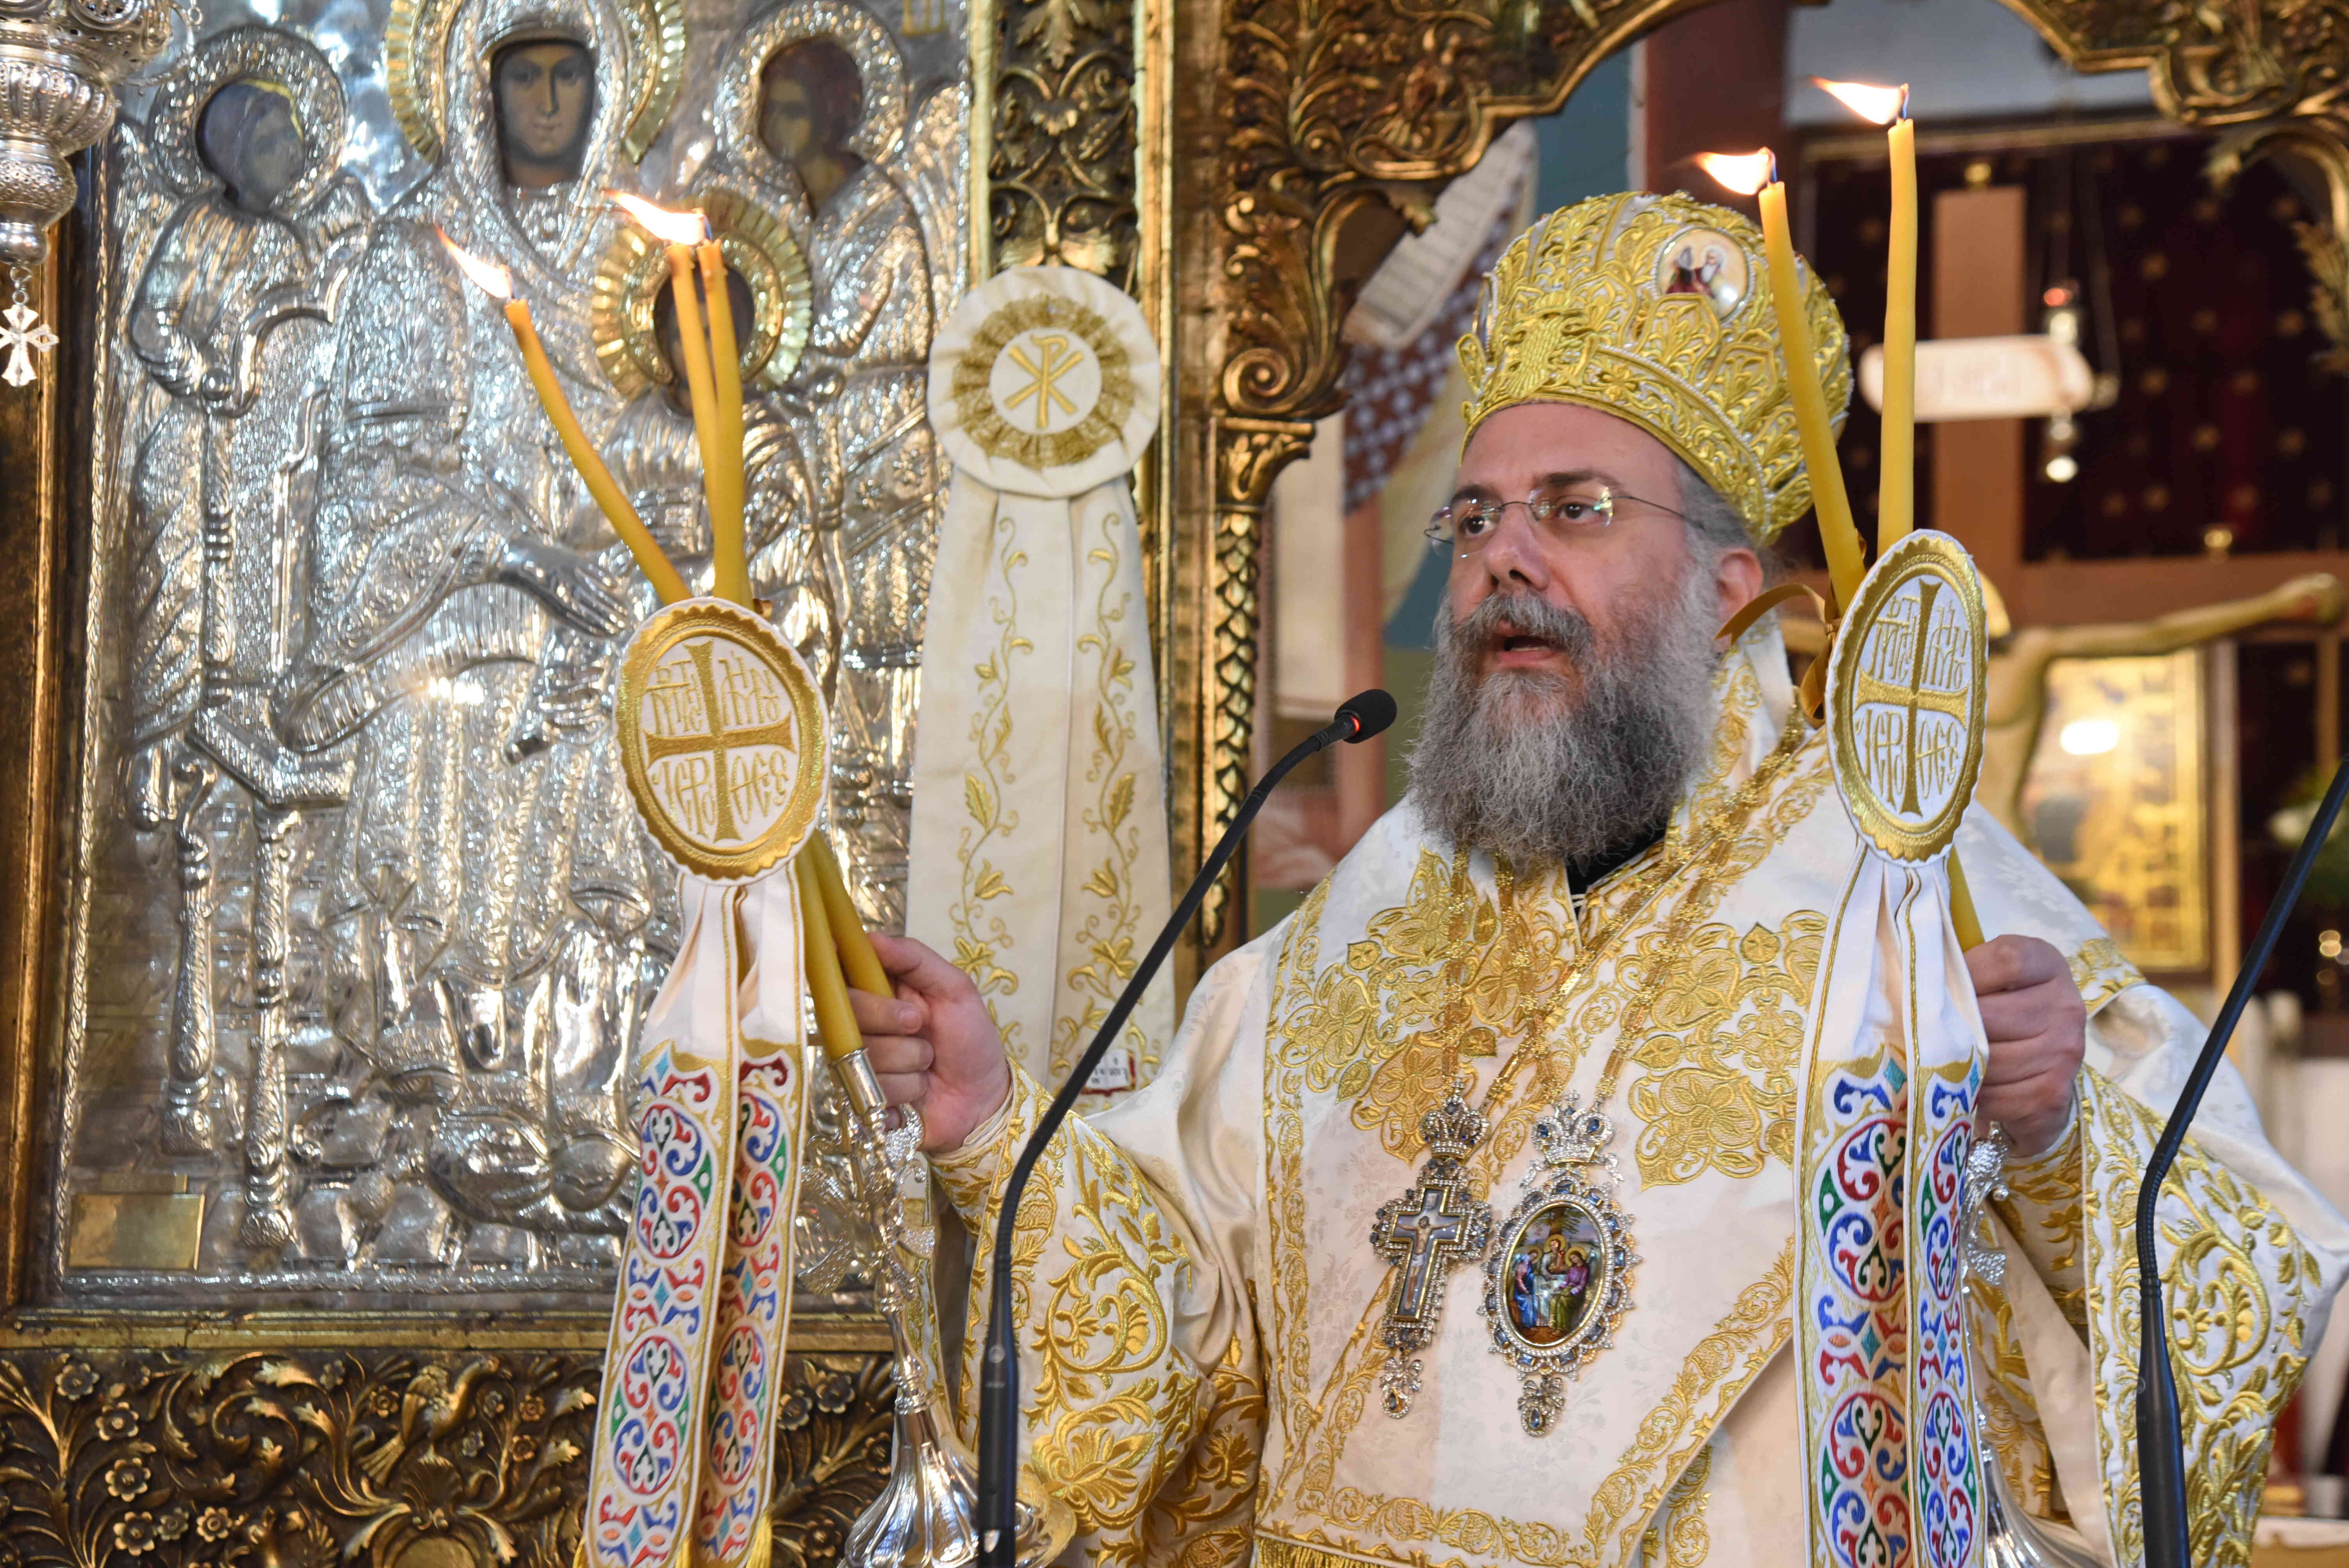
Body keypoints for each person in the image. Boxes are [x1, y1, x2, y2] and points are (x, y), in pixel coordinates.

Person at [852, 192, 2349, 1566]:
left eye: (1574, 508)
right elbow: (1197, 1305)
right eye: (1476, 517)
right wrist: (990, 1123)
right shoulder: (1379, 902)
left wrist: (2051, 1136)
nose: (1504, 556)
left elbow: (2250, 1291)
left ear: (1729, 588)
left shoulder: (1912, 885)